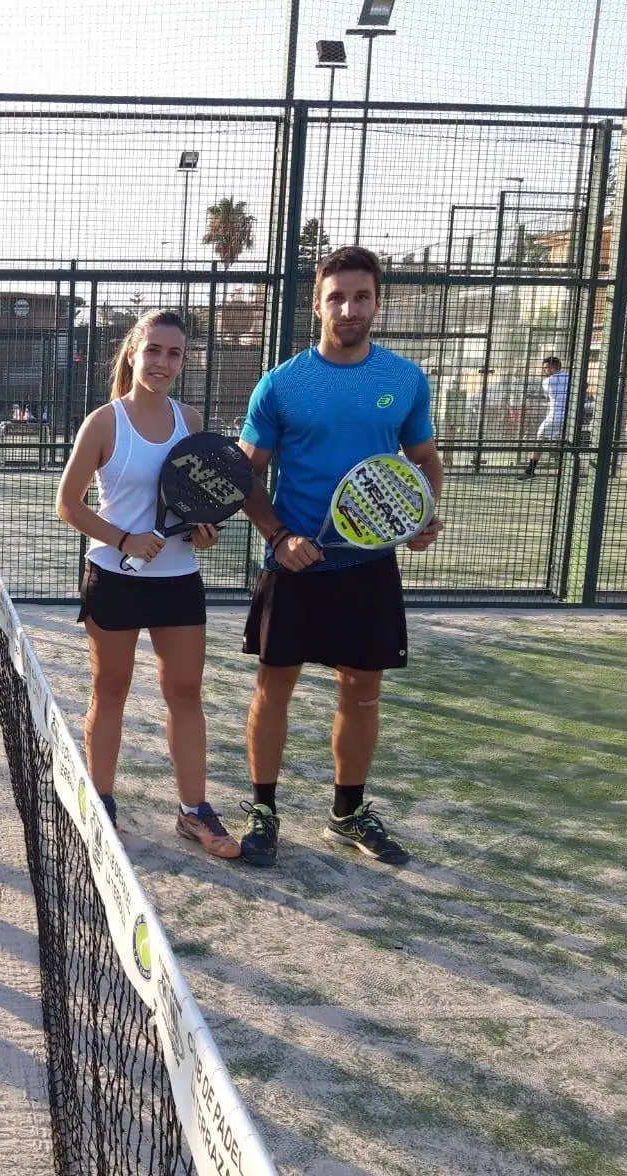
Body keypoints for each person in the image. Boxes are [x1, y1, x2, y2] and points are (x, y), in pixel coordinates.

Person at [236, 246, 444, 868]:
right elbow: (246, 476)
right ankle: (264, 810)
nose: (348, 308)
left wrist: (422, 512)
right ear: (317, 304)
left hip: (368, 566)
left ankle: (347, 813)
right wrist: (278, 537)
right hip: (293, 565)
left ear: (377, 302)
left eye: (361, 296)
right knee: (274, 690)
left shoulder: (404, 380)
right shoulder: (281, 383)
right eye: (336, 297)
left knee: (362, 693)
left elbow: (424, 459)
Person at [54, 309, 238, 859]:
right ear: (133, 352)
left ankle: (193, 811)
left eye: (173, 353)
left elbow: (203, 503)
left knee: (185, 695)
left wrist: (204, 534)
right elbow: (67, 504)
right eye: (153, 350)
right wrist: (124, 540)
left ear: (183, 361)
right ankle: (102, 802)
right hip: (114, 577)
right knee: (109, 693)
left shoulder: (193, 422)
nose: (161, 362)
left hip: (178, 579)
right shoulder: (105, 422)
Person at [521, 355, 570, 478]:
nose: (544, 370)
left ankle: (530, 470)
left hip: (556, 416)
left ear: (552, 368)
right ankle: (564, 469)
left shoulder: (547, 382)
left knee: (540, 439)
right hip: (571, 416)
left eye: (546, 368)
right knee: (565, 442)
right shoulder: (570, 377)